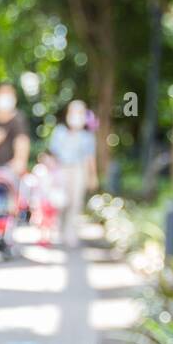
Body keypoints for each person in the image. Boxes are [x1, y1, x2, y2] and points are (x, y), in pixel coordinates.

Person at [48, 99, 97, 247]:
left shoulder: (87, 137)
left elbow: (90, 158)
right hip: (61, 169)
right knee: (61, 202)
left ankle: (70, 233)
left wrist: (92, 176)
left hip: (78, 169)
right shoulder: (60, 132)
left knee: (75, 202)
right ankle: (58, 231)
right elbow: (53, 153)